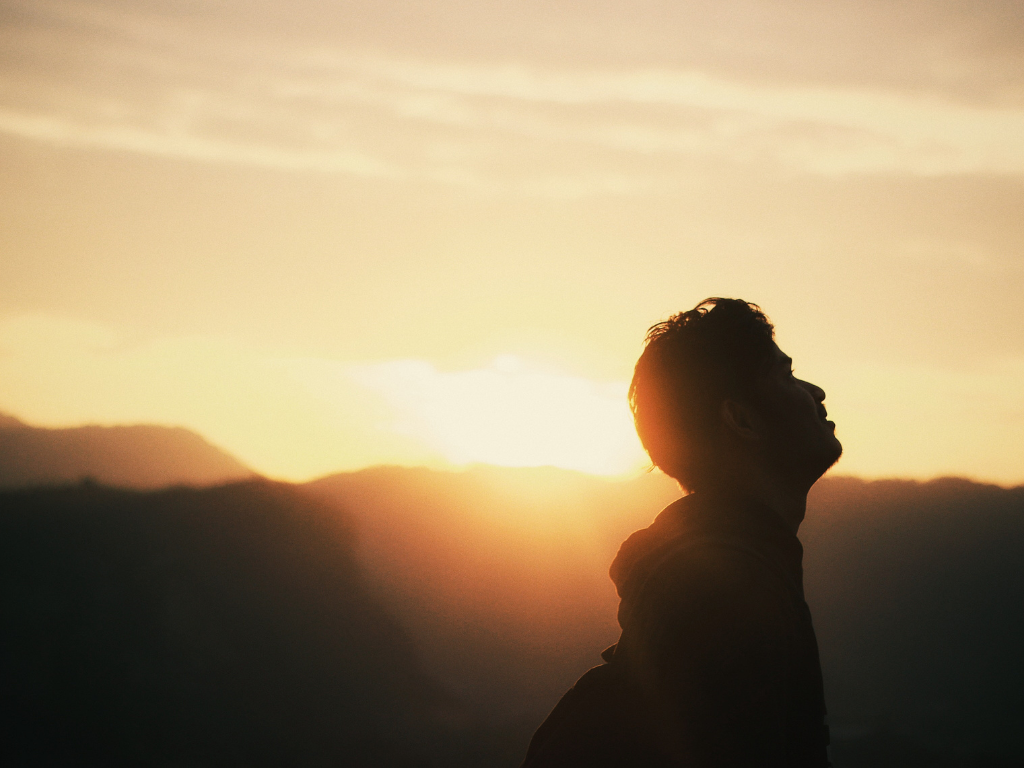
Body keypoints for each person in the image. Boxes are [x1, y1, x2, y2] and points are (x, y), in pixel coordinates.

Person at [522, 298, 840, 767]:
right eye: (787, 375)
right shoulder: (725, 596)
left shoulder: (703, 576)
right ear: (742, 419)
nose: (816, 391)